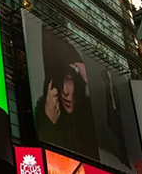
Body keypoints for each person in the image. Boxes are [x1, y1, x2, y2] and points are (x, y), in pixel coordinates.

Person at [35, 32, 99, 160]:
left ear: (78, 83)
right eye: (60, 80)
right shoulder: (44, 111)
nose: (65, 91)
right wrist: (49, 122)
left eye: (69, 80)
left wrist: (90, 78)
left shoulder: (90, 112)